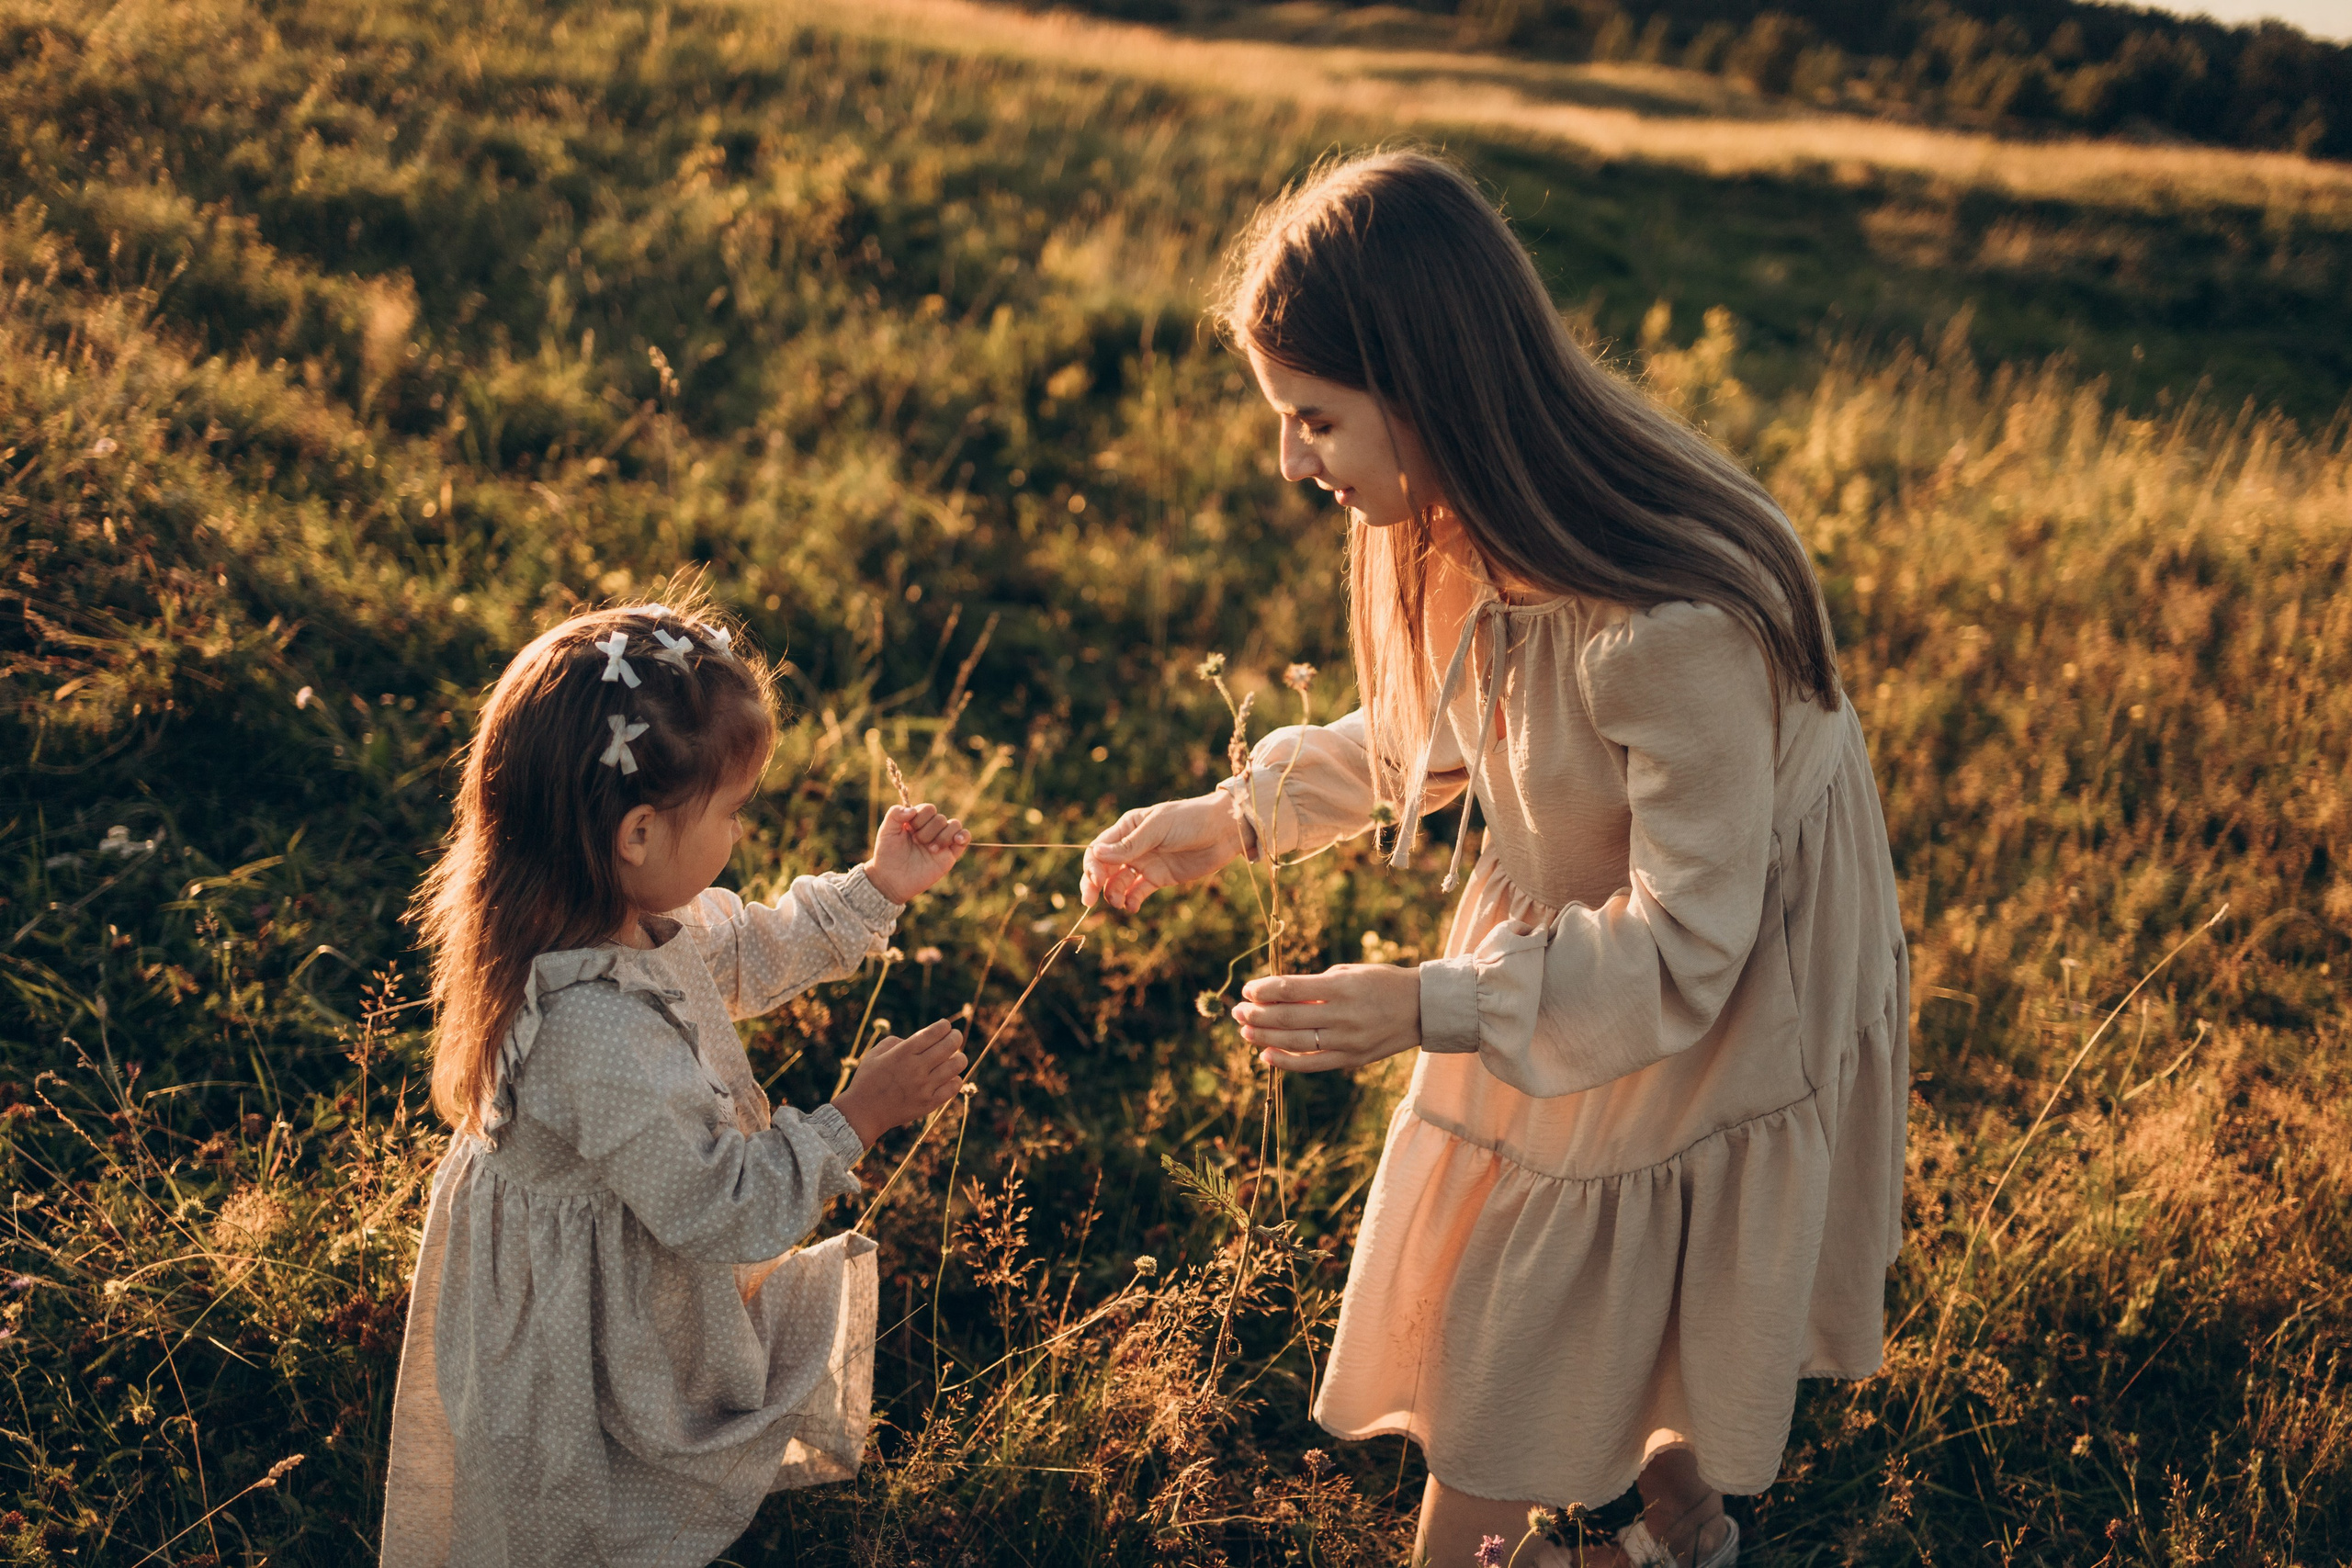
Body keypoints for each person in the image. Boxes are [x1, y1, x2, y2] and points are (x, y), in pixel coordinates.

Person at [1082, 151, 1908, 1568]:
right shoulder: (1469, 521)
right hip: (1594, 951)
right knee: (1587, 1267)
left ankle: (1600, 1523)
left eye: (1315, 419)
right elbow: (1448, 728)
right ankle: (1680, 1532)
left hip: (1716, 983)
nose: (1292, 462)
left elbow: (1690, 947)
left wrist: (1431, 1001)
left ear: (1428, 391)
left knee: (1559, 1298)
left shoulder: (1671, 629)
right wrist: (1238, 814)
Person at [379, 596, 972, 1568]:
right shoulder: (591, 1030)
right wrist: (857, 1115)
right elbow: (722, 1207)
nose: (740, 831)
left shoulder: (610, 919)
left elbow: (751, 947)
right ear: (639, 833)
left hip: (606, 1265)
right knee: (578, 1496)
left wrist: (877, 886)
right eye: (732, 812)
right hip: (572, 1322)